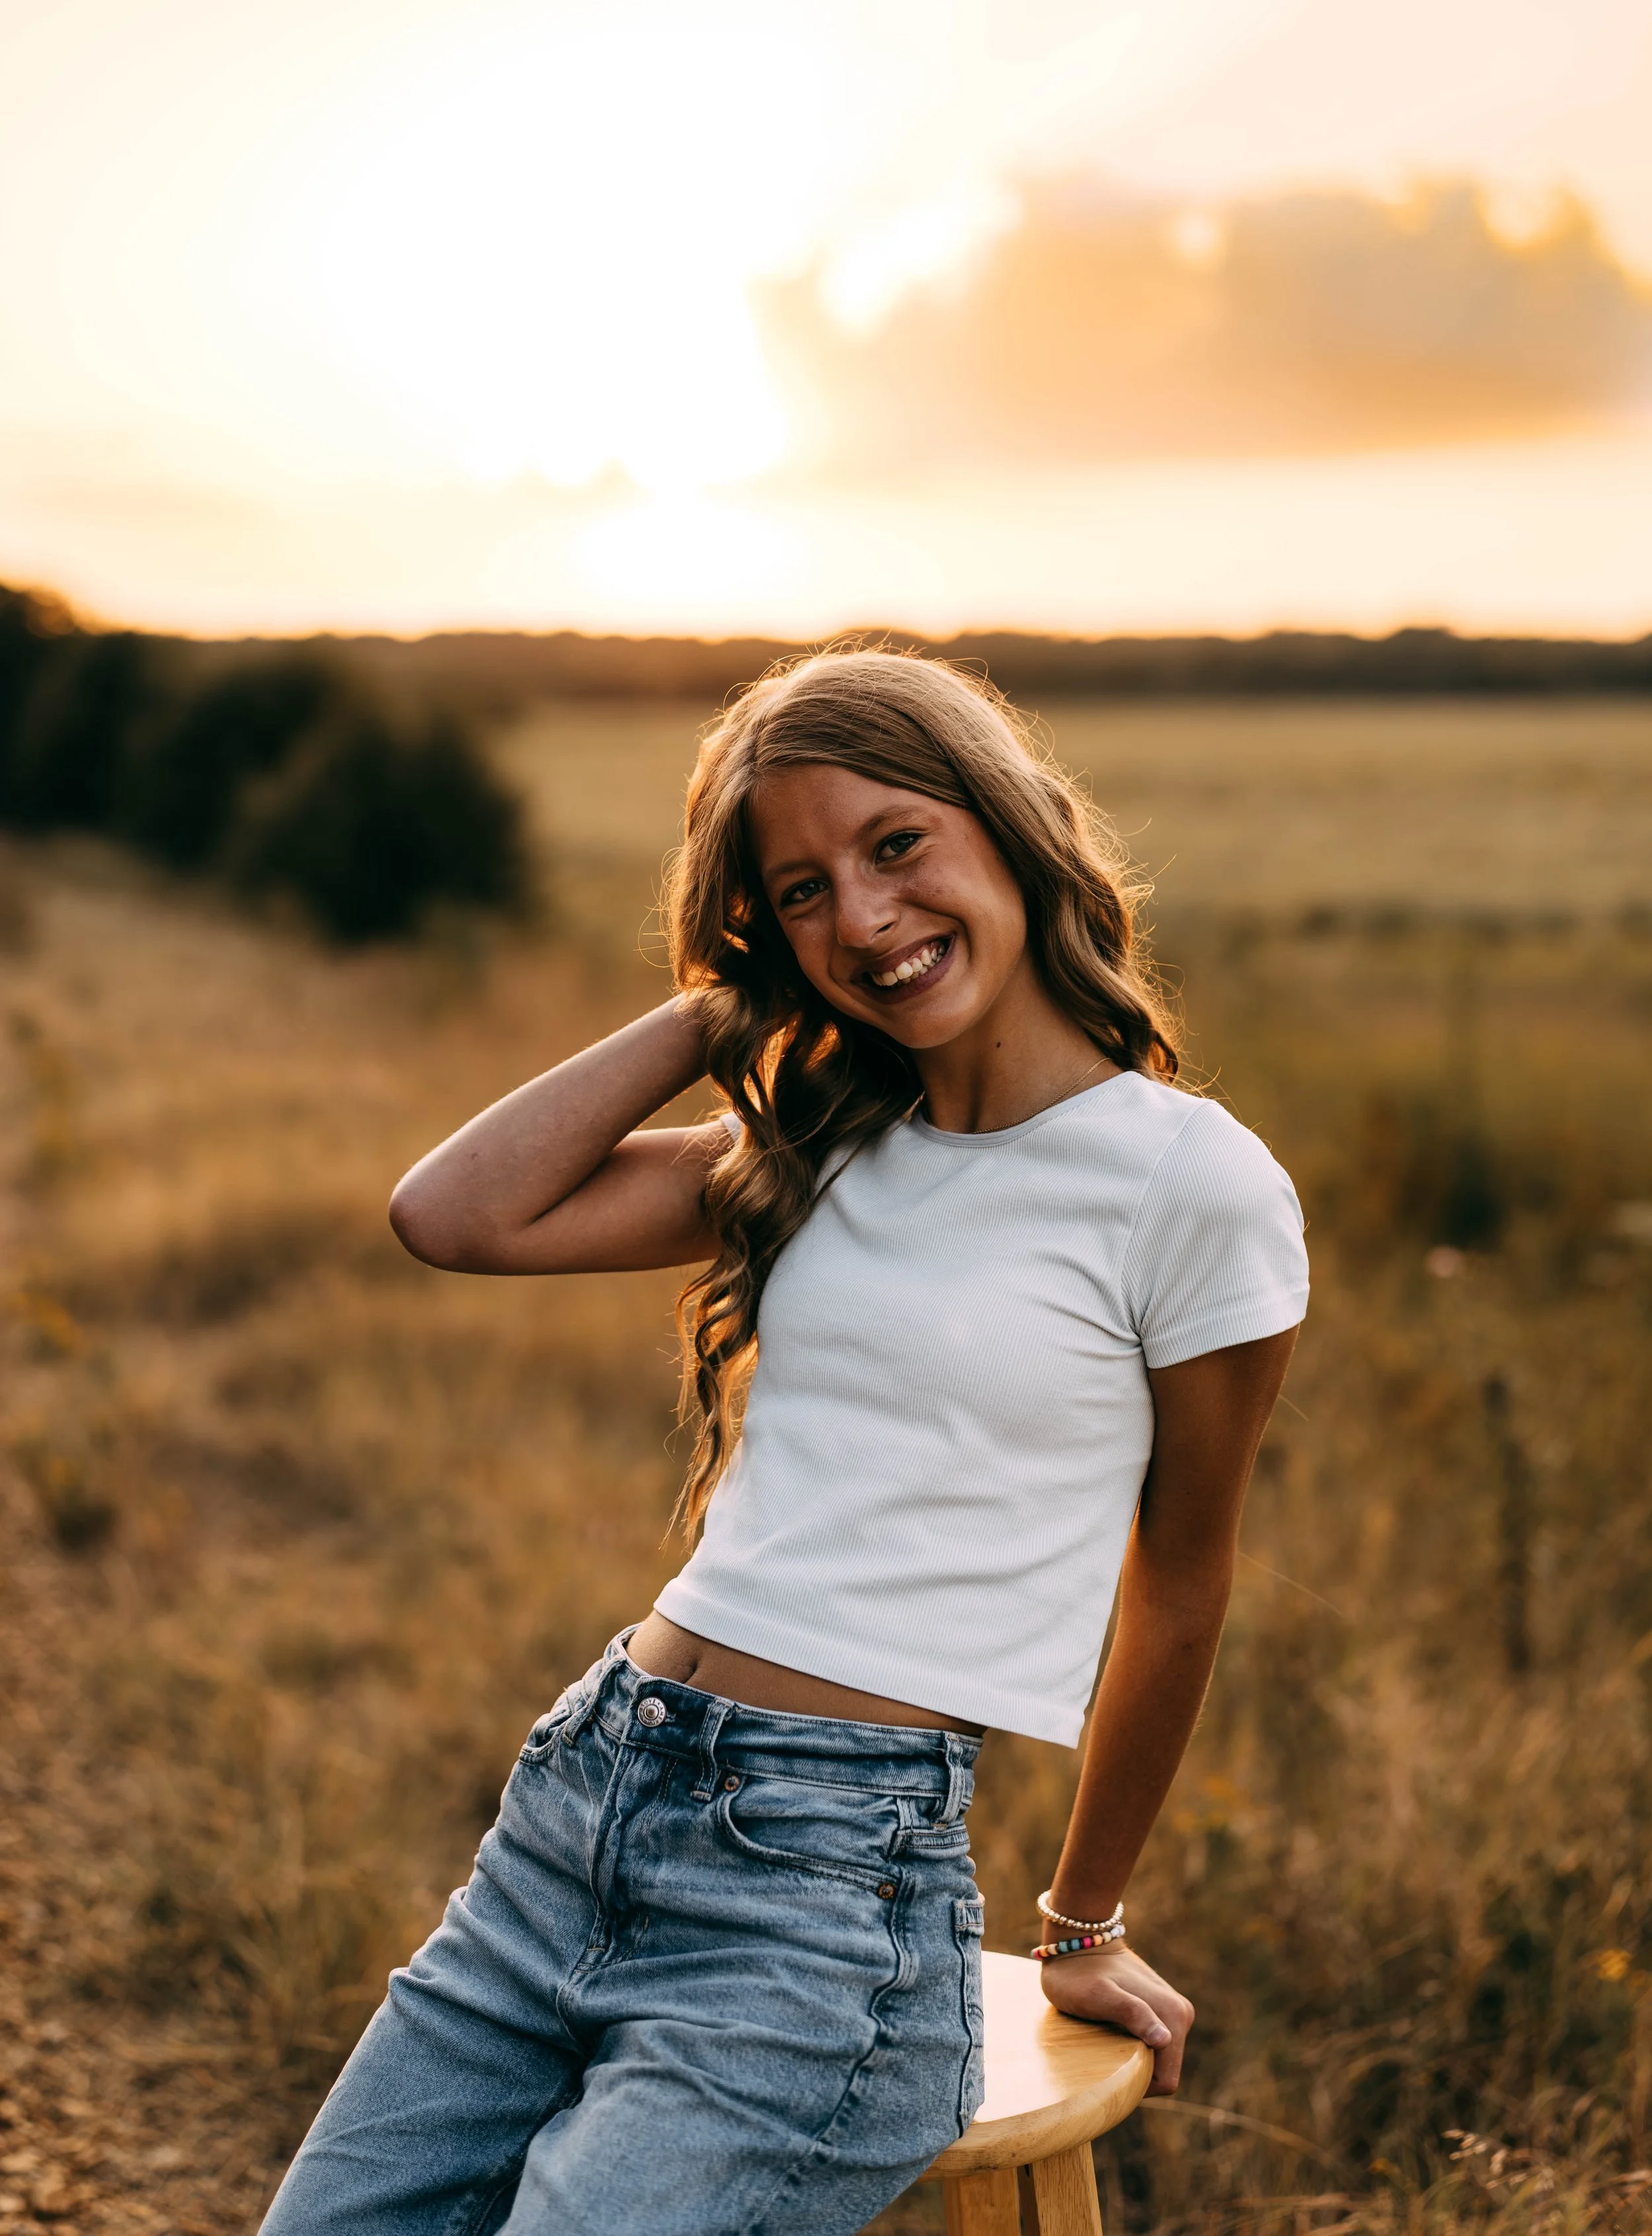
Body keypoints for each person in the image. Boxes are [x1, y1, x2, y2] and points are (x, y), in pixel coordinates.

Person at [260, 648, 1308, 2236]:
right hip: (577, 1809)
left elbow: (1178, 1580)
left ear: (1006, 823)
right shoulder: (816, 1146)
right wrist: (716, 1005)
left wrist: (1080, 1921)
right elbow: (453, 1216)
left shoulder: (1186, 1185)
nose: (867, 920)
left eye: (896, 846)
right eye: (801, 891)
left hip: (822, 1897)